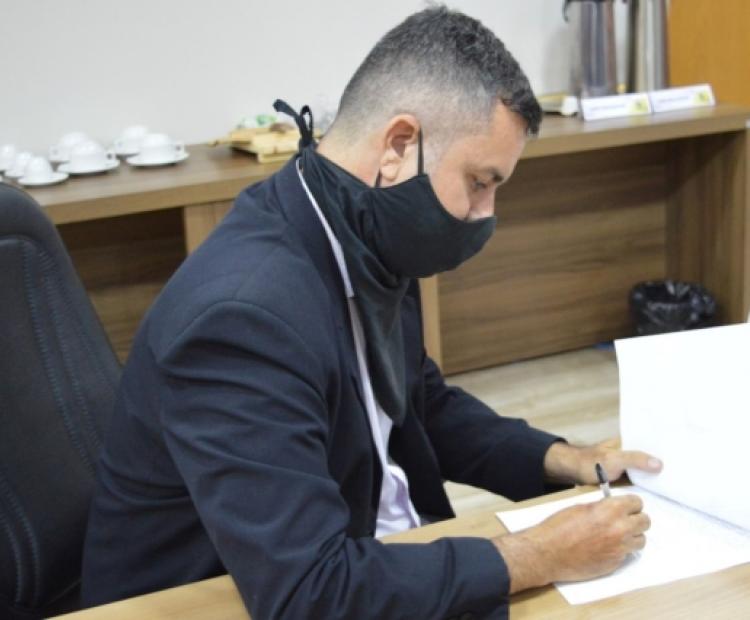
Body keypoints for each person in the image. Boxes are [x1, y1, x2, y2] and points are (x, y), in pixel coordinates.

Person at [81, 6, 662, 619]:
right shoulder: (242, 319)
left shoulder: (367, 232)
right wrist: (533, 555)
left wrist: (564, 458)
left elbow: (417, 403)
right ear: (399, 146)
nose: (486, 213)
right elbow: (308, 592)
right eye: (479, 181)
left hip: (360, 559)